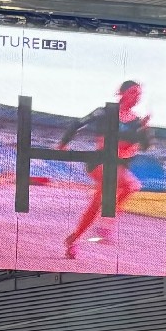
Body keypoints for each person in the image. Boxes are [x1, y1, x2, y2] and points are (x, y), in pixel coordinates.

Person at [61, 79, 152, 261]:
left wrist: (145, 130)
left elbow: (144, 146)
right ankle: (106, 221)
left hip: (119, 164)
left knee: (101, 200)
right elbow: (78, 123)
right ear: (122, 92)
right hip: (100, 161)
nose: (137, 96)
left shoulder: (136, 122)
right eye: (133, 92)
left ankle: (74, 239)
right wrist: (63, 143)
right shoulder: (105, 112)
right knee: (123, 185)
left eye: (139, 94)